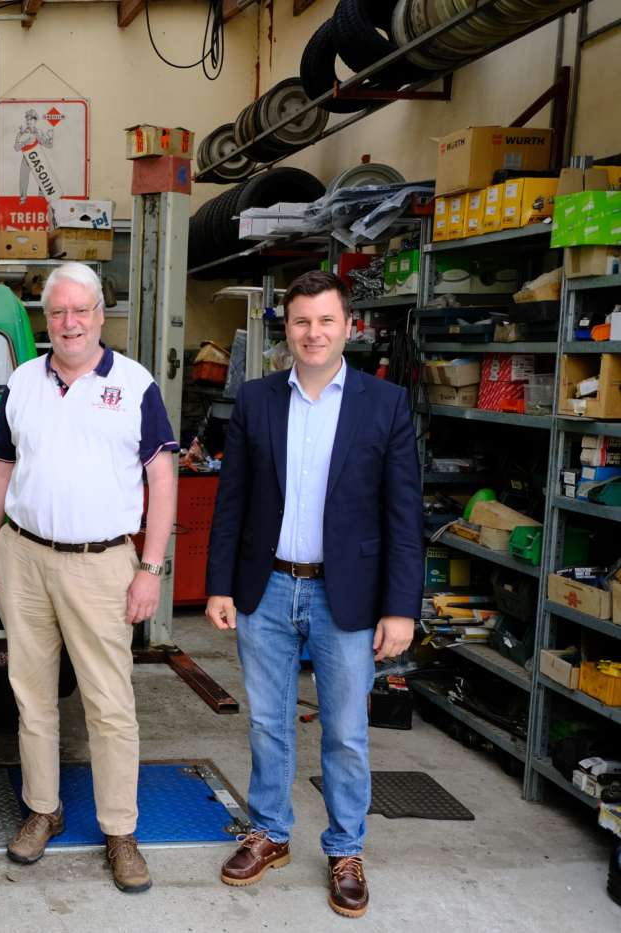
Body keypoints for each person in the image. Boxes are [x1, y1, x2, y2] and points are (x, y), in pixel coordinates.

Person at [203, 269, 422, 919]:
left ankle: (346, 848)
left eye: (326, 320)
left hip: (345, 593)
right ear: (287, 328)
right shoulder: (257, 399)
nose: (314, 332)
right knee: (267, 721)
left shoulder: (384, 404)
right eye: (302, 320)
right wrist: (219, 585)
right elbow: (232, 501)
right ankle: (269, 832)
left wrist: (401, 607)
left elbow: (403, 515)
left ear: (349, 327)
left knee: (347, 732)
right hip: (267, 585)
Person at [0, 261, 178, 893]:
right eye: (57, 312)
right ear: (46, 319)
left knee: (108, 703)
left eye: (80, 310)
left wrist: (150, 568)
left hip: (102, 563)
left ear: (100, 315)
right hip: (25, 557)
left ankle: (120, 832)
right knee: (31, 696)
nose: (69, 323)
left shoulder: (135, 384)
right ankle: (43, 809)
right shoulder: (23, 380)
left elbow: (162, 477)